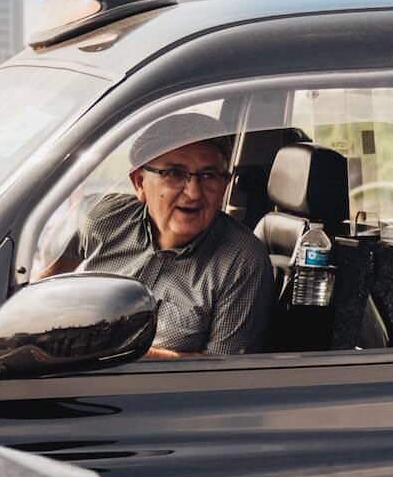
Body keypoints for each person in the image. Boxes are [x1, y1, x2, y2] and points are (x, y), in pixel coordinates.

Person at [60, 112, 272, 357]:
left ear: (224, 185)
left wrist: (103, 349)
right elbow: (40, 289)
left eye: (208, 176)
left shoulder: (242, 262)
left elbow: (220, 374)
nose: (193, 193)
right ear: (139, 182)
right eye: (174, 173)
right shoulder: (102, 218)